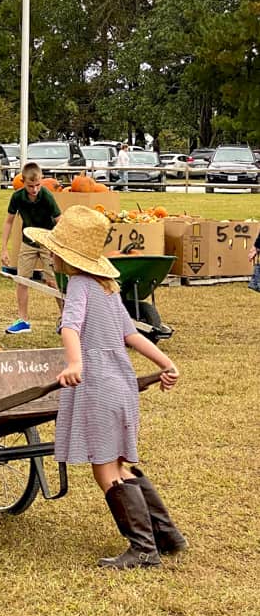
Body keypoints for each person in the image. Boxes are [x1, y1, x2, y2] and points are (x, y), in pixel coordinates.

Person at [25, 205, 186, 569]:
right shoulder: (109, 287)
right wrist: (165, 362)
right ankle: (166, 535)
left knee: (105, 469)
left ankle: (143, 549)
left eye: (54, 249)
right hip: (122, 383)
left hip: (97, 384)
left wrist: (76, 362)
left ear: (66, 256)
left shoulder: (80, 285)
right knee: (119, 463)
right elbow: (132, 333)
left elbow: (70, 326)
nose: (50, 254)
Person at [0, 162, 61, 334]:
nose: (34, 190)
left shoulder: (47, 196)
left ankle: (66, 320)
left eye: (37, 186)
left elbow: (59, 222)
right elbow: (9, 222)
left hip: (48, 242)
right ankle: (23, 320)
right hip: (28, 241)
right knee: (22, 279)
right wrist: (4, 248)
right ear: (23, 182)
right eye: (30, 186)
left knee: (54, 281)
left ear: (41, 181)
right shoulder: (17, 197)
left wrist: (56, 247)